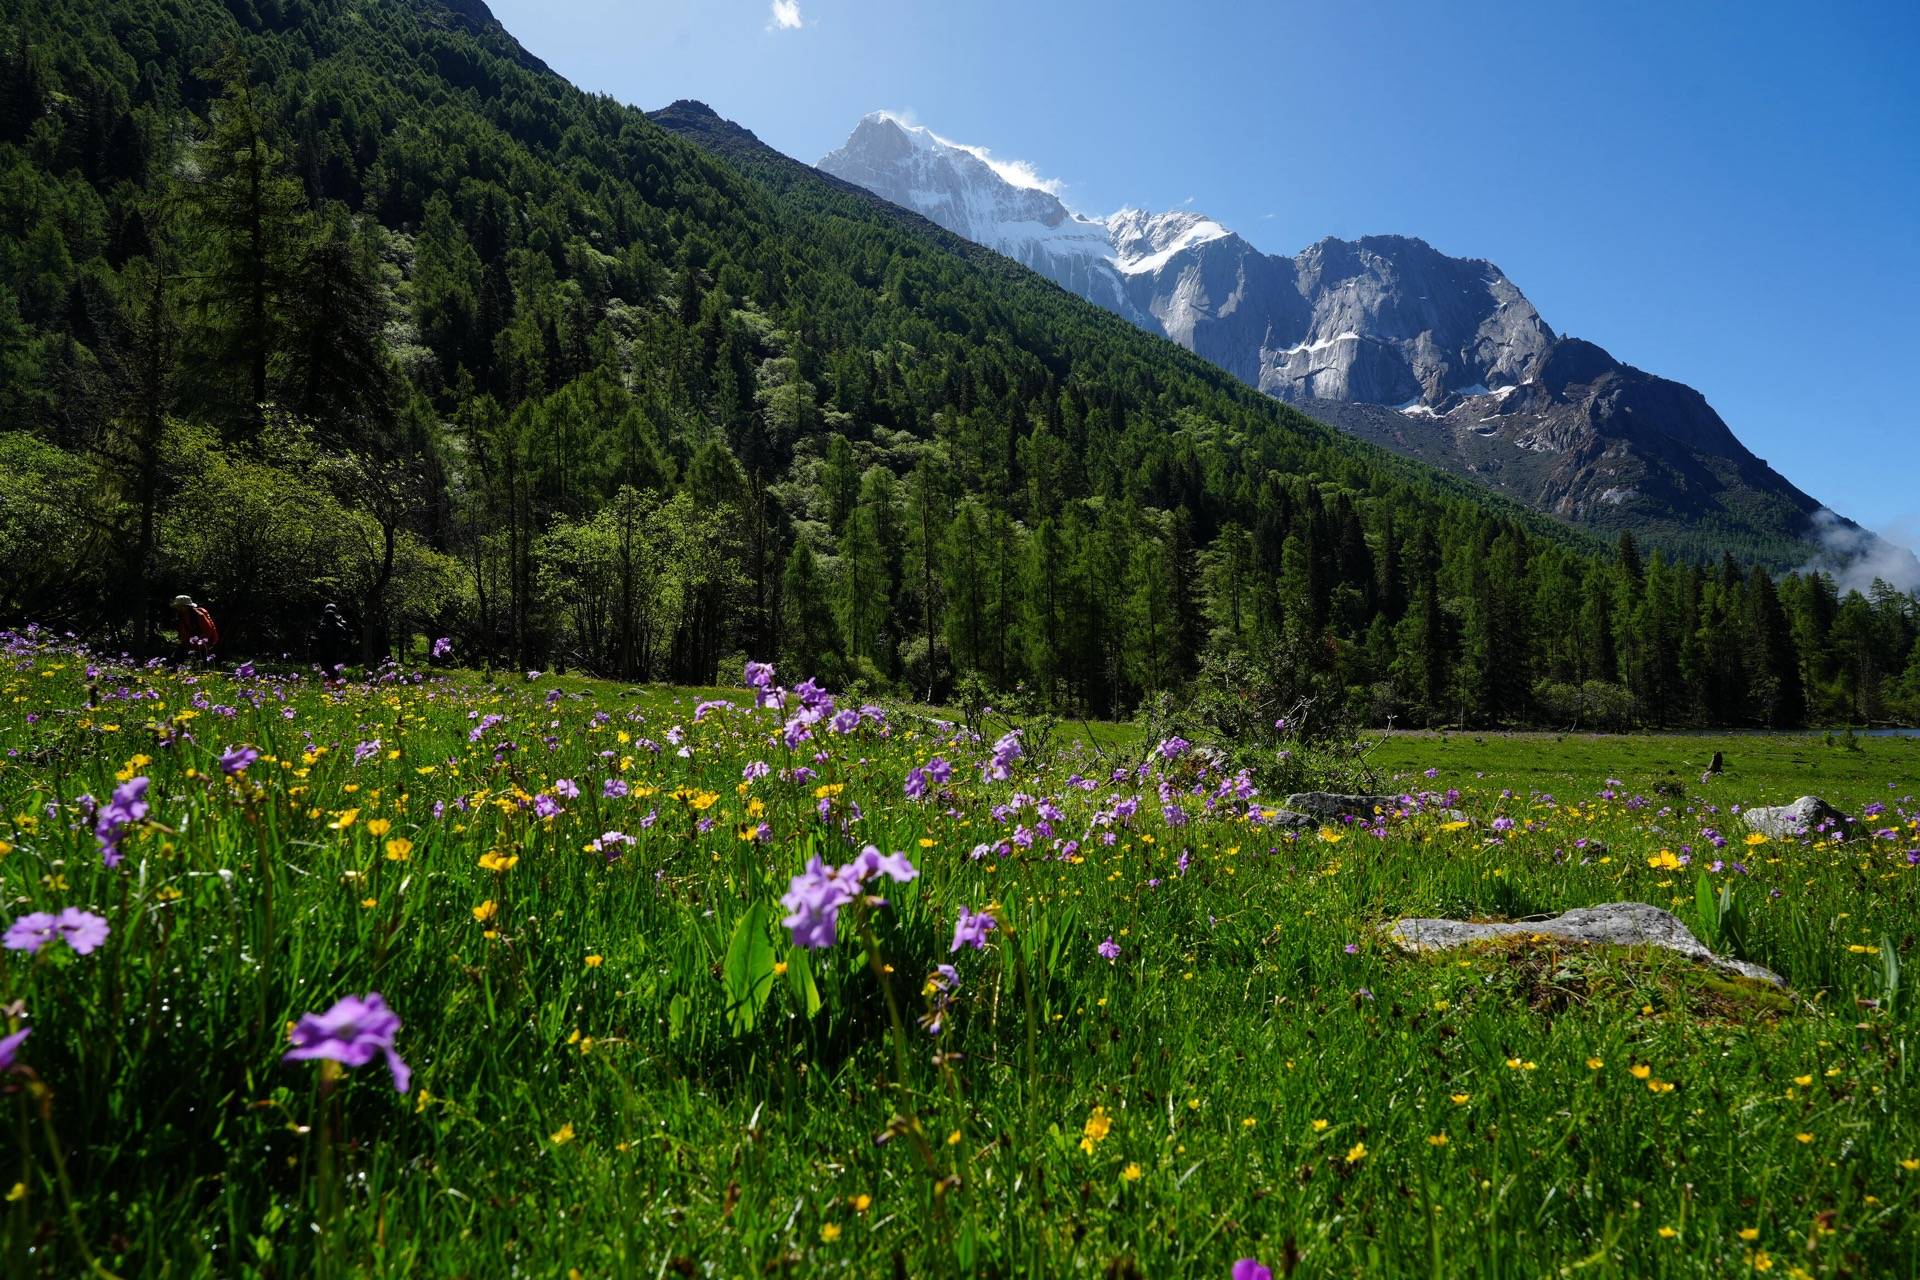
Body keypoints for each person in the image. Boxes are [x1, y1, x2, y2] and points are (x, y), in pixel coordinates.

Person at [170, 594, 219, 661]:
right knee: (177, 657)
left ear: (186, 606)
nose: (177, 608)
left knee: (200, 662)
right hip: (189, 643)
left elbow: (208, 630)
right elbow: (182, 631)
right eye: (177, 606)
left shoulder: (199, 615)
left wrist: (198, 643)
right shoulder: (181, 615)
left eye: (179, 606)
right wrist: (185, 642)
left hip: (202, 643)